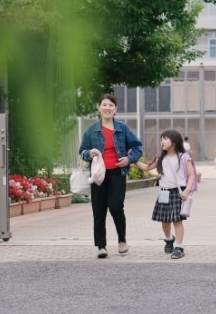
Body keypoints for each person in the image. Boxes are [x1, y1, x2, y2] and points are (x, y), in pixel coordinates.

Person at [79, 93, 143, 259]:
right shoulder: (91, 130)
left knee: (116, 207)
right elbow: (82, 152)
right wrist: (89, 153)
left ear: (115, 109)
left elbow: (137, 147)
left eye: (111, 105)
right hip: (98, 175)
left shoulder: (123, 129)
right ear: (99, 108)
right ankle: (101, 246)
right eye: (104, 105)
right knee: (98, 210)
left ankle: (122, 240)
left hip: (117, 173)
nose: (107, 108)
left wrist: (128, 159)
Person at [137, 129, 195, 259]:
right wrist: (132, 159)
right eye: (161, 139)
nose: (161, 141)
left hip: (178, 191)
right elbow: (146, 167)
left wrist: (187, 190)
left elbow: (192, 175)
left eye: (165, 139)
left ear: (174, 142)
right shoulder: (160, 158)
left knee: (177, 220)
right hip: (164, 191)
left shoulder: (183, 157)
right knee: (165, 221)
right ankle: (169, 239)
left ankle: (179, 247)